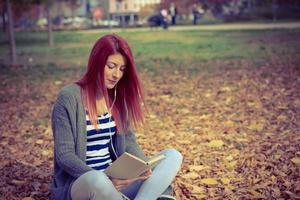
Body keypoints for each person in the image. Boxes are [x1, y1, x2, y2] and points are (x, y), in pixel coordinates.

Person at [49, 34, 183, 200]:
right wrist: (106, 179)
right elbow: (65, 155)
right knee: (97, 180)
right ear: (96, 63)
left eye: (121, 69)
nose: (116, 75)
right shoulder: (69, 97)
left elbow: (129, 143)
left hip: (116, 180)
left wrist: (143, 167)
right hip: (84, 183)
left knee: (172, 155)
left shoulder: (117, 99)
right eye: (111, 66)